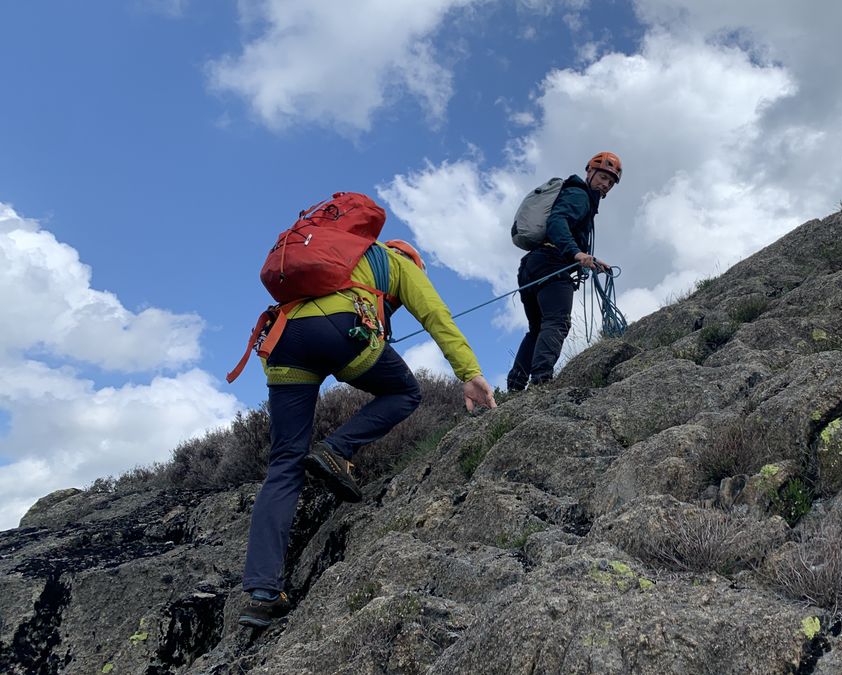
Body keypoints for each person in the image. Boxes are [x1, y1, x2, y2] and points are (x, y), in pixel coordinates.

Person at [238, 240, 496, 628]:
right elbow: (436, 315)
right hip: (340, 327)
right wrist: (469, 373)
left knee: (284, 464)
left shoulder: (339, 261)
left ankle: (262, 594)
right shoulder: (399, 264)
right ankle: (337, 449)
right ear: (415, 262)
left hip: (284, 339)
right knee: (405, 392)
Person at [506, 151, 622, 391]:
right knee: (557, 322)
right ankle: (541, 381)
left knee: (537, 328)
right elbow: (558, 222)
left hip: (532, 265)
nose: (605, 185)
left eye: (610, 182)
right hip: (552, 264)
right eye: (602, 177)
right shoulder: (580, 196)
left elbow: (563, 230)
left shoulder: (578, 196)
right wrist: (575, 253)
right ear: (589, 172)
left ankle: (516, 384)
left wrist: (590, 259)